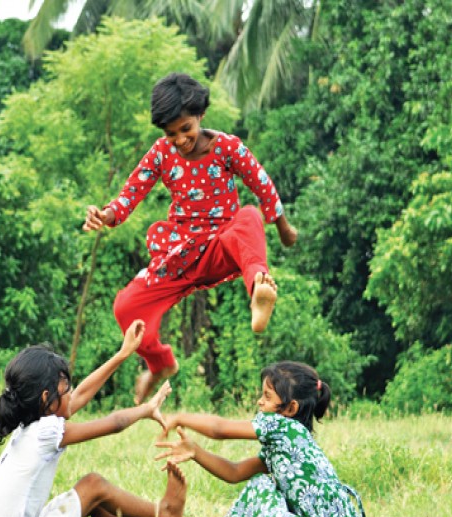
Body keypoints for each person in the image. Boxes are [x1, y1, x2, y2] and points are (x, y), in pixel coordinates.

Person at [83, 72, 298, 404]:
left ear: (200, 116)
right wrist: (105, 215)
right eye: (172, 135)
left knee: (249, 216)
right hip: (179, 254)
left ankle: (257, 290)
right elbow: (130, 195)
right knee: (126, 306)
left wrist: (283, 228)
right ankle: (160, 364)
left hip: (222, 246)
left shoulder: (228, 147)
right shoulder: (161, 154)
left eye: (186, 129)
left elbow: (262, 185)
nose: (181, 140)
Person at [0, 320, 187, 517]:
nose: (72, 395)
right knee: (92, 485)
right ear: (46, 398)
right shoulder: (45, 431)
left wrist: (122, 354)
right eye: (66, 389)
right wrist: (146, 409)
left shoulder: (28, 425)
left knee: (88, 499)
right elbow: (114, 423)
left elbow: (81, 394)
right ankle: (166, 513)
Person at [154, 361, 375, 517]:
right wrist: (195, 451)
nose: (260, 401)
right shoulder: (291, 443)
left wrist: (180, 417)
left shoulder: (281, 425)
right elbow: (235, 472)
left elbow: (220, 429)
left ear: (291, 408)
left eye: (267, 396)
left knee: (261, 485)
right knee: (263, 485)